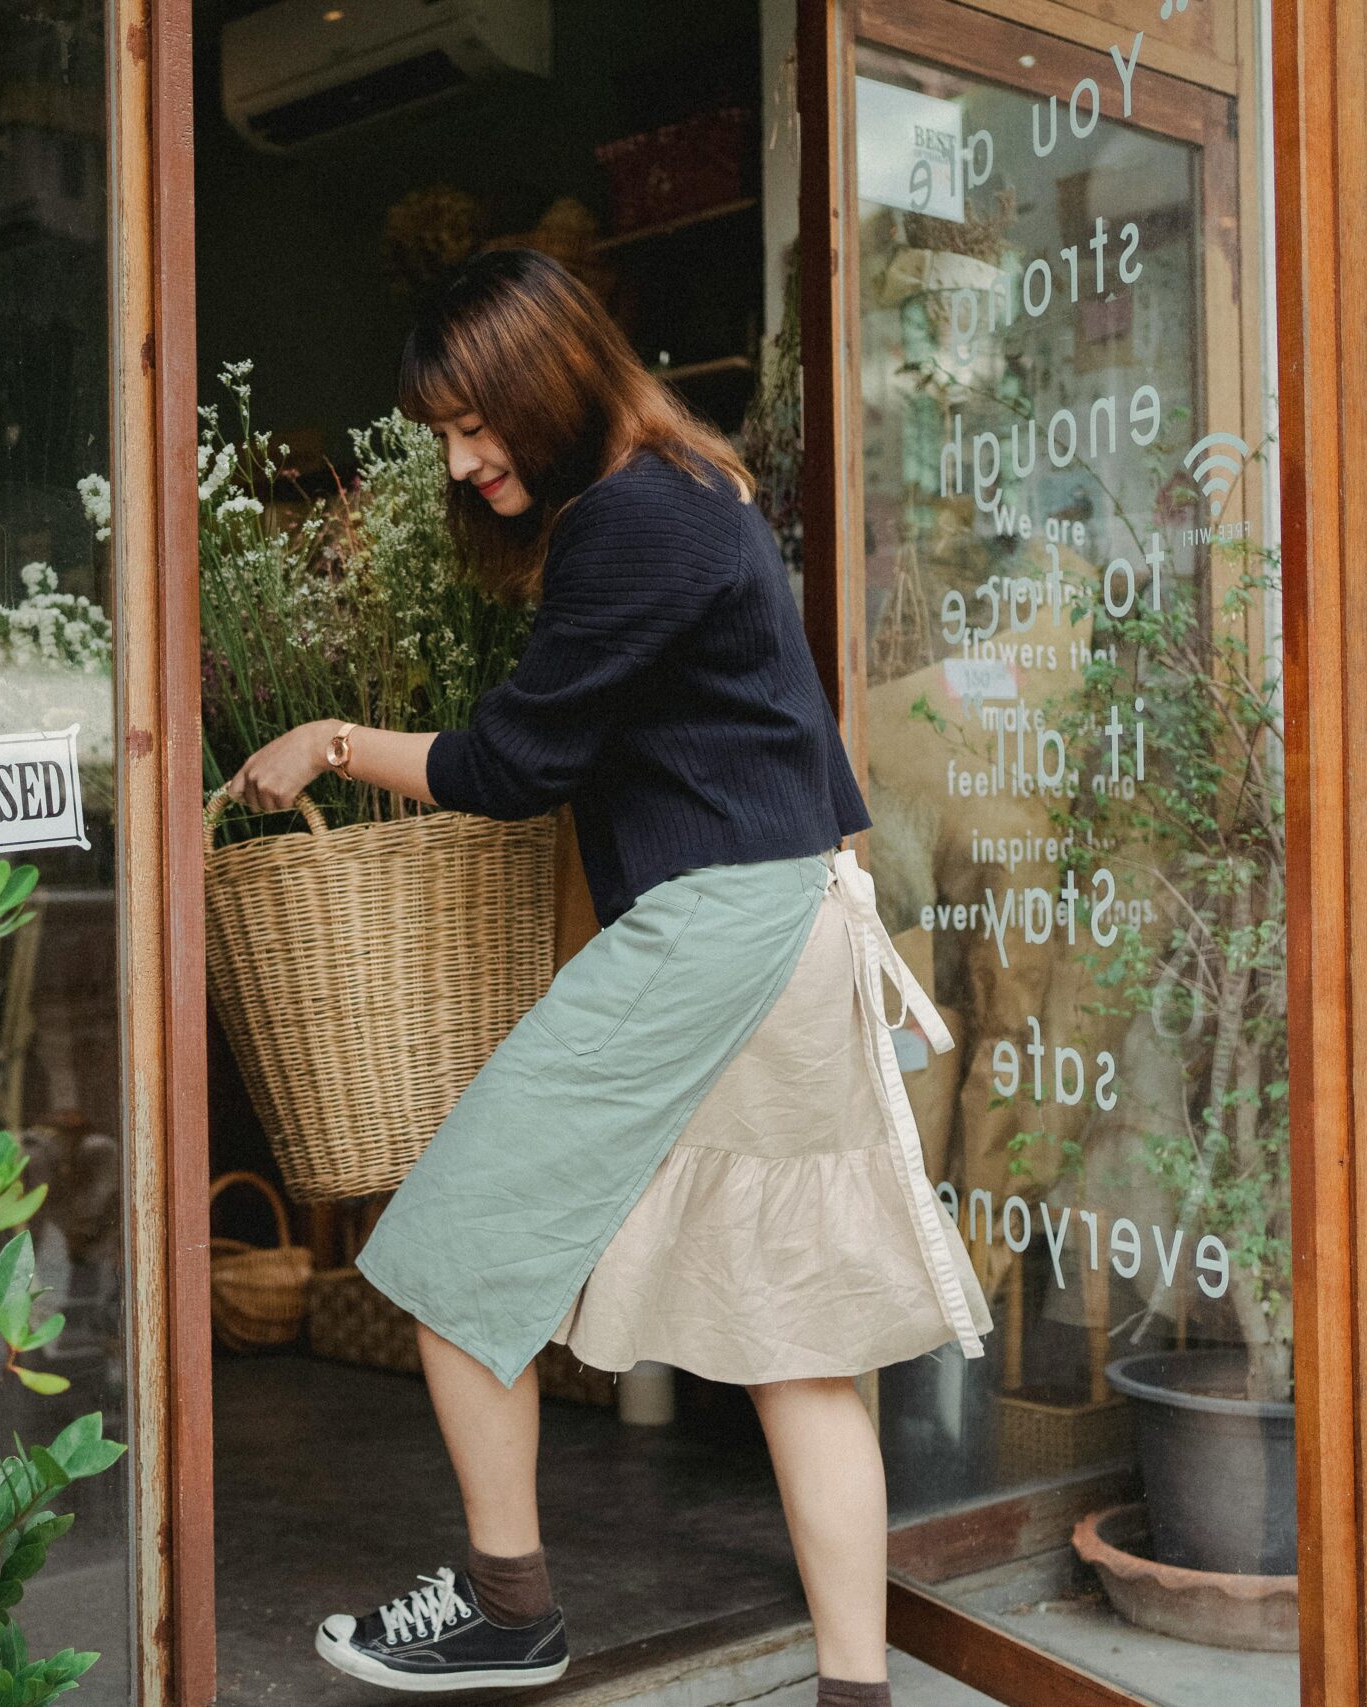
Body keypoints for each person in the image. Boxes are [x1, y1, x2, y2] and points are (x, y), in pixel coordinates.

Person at [224, 248, 991, 1707]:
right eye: (445, 435)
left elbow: (514, 766)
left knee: (452, 1249)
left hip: (719, 930)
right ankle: (855, 1691)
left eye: (474, 424)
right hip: (796, 919)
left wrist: (328, 742)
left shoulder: (630, 522)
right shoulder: (690, 486)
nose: (463, 459)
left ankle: (510, 1611)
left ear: (546, 382)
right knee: (796, 1342)